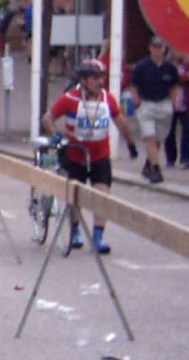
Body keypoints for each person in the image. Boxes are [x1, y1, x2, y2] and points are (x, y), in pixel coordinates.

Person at [41, 58, 135, 254]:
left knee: (102, 195)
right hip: (76, 155)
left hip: (100, 155)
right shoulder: (70, 99)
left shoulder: (107, 98)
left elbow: (121, 122)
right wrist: (55, 134)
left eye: (101, 77)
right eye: (94, 78)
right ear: (83, 80)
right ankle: (75, 231)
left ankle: (98, 236)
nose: (100, 81)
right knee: (76, 196)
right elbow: (47, 118)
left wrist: (132, 144)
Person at [128, 36, 180, 184]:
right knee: (149, 136)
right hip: (147, 104)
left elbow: (175, 85)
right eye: (155, 47)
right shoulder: (142, 66)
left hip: (163, 104)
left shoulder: (169, 67)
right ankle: (156, 169)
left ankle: (149, 163)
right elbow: (133, 85)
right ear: (150, 48)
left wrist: (171, 101)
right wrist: (137, 101)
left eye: (161, 47)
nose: (158, 50)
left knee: (158, 138)